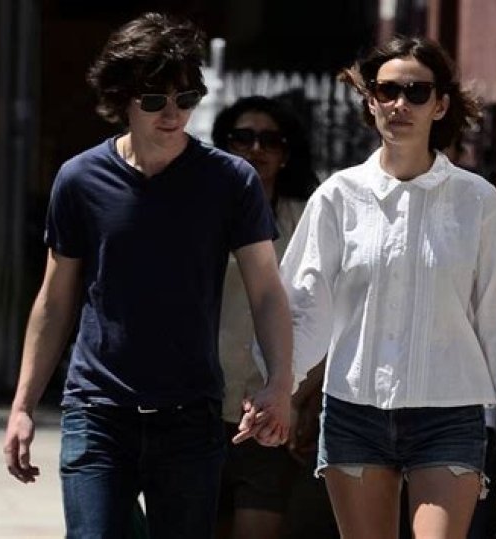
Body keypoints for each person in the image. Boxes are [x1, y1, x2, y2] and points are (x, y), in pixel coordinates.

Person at [2, 12, 293, 539]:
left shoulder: (230, 182)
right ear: (122, 100)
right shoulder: (80, 180)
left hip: (189, 415)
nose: (173, 114)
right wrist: (23, 406)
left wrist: (279, 382)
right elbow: (55, 299)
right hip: (97, 410)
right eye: (155, 100)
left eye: (186, 98)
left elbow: (267, 292)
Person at [278, 34, 496, 539]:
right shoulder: (337, 197)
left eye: (417, 92)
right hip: (354, 412)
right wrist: (278, 389)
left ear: (440, 105)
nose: (400, 104)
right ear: (371, 101)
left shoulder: (478, 201)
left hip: (450, 414)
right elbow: (305, 308)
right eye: (387, 90)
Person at [210, 95, 325, 539]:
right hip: (200, 406)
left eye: (270, 140)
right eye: (243, 138)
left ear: (286, 153)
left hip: (271, 410)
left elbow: (328, 315)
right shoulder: (199, 215)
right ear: (224, 146)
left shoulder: (307, 220)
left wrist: (299, 398)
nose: (256, 149)